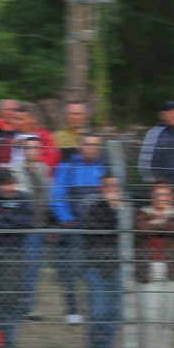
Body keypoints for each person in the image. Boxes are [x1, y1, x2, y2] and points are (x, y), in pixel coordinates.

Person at [51, 133, 108, 324]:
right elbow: (58, 194)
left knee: (96, 269)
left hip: (98, 228)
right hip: (74, 227)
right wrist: (66, 218)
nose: (93, 148)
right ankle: (73, 309)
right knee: (70, 269)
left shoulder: (105, 168)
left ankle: (95, 307)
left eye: (97, 145)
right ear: (80, 147)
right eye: (89, 144)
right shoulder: (67, 168)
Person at [0, 169, 33, 348]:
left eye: (11, 183)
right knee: (0, 295)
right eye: (5, 184)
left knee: (13, 296)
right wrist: (12, 218)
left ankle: (9, 339)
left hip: (17, 252)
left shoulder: (24, 198)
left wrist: (3, 215)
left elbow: (27, 222)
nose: (9, 187)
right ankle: (2, 337)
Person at [134, 181, 174, 348]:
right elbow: (142, 229)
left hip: (172, 273)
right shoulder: (142, 214)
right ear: (152, 197)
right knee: (150, 315)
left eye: (165, 195)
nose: (161, 199)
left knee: (169, 317)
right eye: (158, 195)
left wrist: (156, 225)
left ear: (171, 198)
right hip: (148, 272)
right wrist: (163, 226)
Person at [78, 174, 124, 348]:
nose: (111, 191)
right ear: (101, 189)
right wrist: (114, 212)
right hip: (97, 265)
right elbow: (97, 231)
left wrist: (118, 210)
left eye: (115, 187)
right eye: (108, 187)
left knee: (114, 311)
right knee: (98, 311)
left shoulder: (126, 209)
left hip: (119, 265)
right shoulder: (94, 208)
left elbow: (131, 232)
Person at [9, 136, 54, 319]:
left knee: (34, 268)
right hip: (23, 225)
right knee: (21, 267)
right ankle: (18, 303)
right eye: (29, 148)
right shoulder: (15, 170)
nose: (33, 151)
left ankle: (28, 304)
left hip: (40, 225)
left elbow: (49, 195)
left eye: (37, 148)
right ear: (24, 151)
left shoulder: (44, 169)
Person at [138, 101, 174, 186]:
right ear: (162, 115)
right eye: (173, 112)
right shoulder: (155, 134)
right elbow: (146, 163)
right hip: (164, 188)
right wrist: (157, 184)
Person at [8, 103, 61, 172]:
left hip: (34, 174)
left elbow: (51, 160)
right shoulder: (10, 135)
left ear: (32, 119)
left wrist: (30, 164)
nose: (15, 122)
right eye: (14, 119)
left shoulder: (44, 136)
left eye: (19, 119)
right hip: (11, 176)